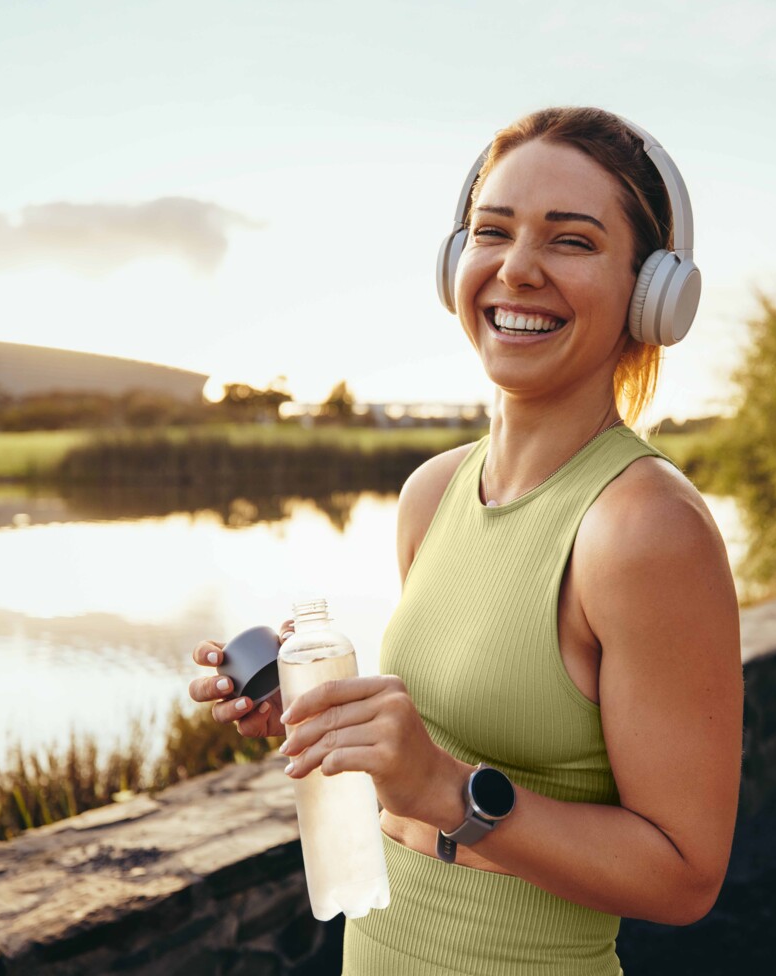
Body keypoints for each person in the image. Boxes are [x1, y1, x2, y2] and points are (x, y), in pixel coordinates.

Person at [190, 106, 744, 974]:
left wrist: (448, 792)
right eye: (492, 232)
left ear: (652, 291)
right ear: (457, 263)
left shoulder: (645, 528)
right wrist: (324, 717)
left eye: (571, 241)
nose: (517, 270)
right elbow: (447, 737)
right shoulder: (432, 493)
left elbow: (684, 876)